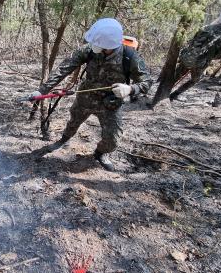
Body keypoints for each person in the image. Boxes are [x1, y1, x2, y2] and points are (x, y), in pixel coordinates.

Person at [27, 18, 152, 171]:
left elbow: (147, 82)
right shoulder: (89, 50)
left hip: (110, 104)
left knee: (113, 139)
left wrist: (130, 89)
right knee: (73, 122)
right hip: (85, 99)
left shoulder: (130, 57)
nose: (93, 45)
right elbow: (63, 68)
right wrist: (42, 90)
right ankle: (64, 139)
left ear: (108, 45)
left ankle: (100, 153)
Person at [169, 8, 221, 101]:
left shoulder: (206, 27)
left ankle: (164, 91)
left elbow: (193, 41)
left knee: (176, 76)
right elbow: (219, 56)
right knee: (195, 80)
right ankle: (175, 95)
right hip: (200, 63)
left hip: (186, 56)